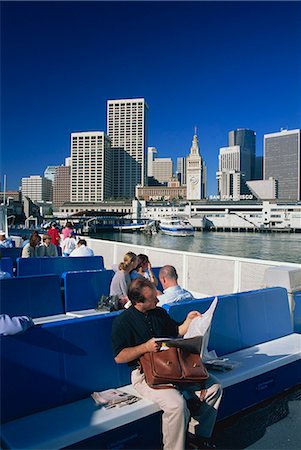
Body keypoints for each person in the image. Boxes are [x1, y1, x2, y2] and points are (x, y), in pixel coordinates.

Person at [112, 278, 222, 450]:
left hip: (173, 368)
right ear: (138, 302)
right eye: (152, 298)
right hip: (145, 375)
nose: (157, 299)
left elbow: (177, 331)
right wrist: (145, 348)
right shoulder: (123, 321)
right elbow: (119, 356)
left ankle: (197, 437)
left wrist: (189, 320)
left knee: (214, 387)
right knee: (177, 405)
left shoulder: (159, 313)